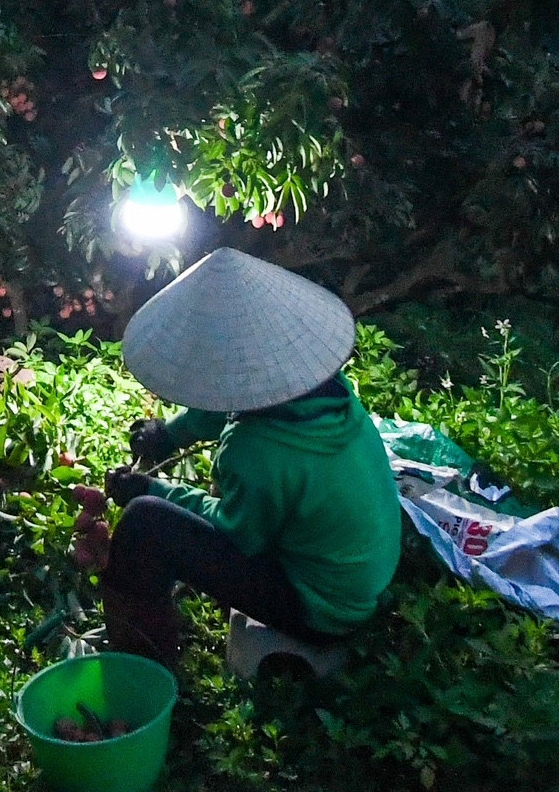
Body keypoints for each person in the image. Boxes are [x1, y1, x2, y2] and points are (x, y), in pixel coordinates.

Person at [96, 247, 401, 667]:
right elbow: (237, 397)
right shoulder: (330, 392)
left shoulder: (255, 450)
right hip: (362, 578)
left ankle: (143, 660)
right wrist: (170, 435)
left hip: (322, 609)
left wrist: (152, 489)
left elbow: (236, 533)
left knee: (145, 523)